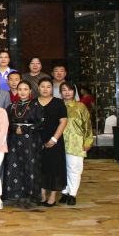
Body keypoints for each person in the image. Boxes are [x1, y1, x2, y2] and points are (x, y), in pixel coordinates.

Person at [5, 81, 44, 209]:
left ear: (30, 91)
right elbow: (5, 122)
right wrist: (14, 128)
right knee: (15, 167)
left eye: (25, 89)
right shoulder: (12, 106)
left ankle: (28, 197)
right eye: (20, 89)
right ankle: (18, 196)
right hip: (14, 141)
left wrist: (25, 129)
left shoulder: (36, 105)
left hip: (30, 141)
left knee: (29, 167)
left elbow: (41, 123)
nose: (22, 92)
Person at [59, 81, 92, 206]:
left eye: (70, 89)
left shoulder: (80, 106)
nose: (67, 92)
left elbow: (87, 125)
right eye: (64, 90)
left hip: (76, 142)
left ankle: (72, 194)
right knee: (62, 168)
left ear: (74, 92)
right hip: (60, 142)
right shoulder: (58, 105)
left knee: (74, 169)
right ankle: (64, 192)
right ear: (60, 92)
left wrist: (87, 141)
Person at [37, 77, 68, 207]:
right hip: (37, 141)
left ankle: (53, 195)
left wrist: (54, 139)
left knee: (55, 167)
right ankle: (42, 193)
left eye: (48, 87)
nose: (45, 89)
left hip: (55, 141)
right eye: (42, 86)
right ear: (38, 88)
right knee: (41, 168)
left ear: (52, 89)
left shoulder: (58, 102)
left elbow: (63, 121)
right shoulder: (33, 102)